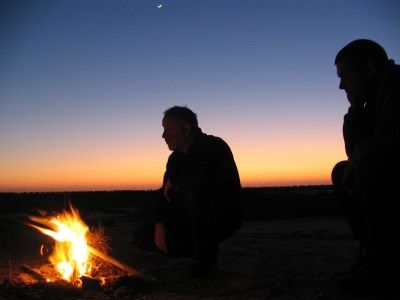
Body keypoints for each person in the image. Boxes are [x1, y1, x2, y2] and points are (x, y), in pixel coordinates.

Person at [132, 106, 243, 277]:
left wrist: (175, 179)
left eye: (167, 129)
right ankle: (198, 250)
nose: (163, 136)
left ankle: (206, 262)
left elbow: (206, 179)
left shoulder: (215, 147)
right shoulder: (175, 159)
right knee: (142, 235)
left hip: (222, 217)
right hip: (190, 220)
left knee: (196, 193)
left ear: (186, 128)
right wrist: (160, 224)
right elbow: (163, 195)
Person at [331, 39, 400, 292]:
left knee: (365, 166)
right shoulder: (373, 100)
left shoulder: (395, 84)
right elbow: (355, 152)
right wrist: (355, 110)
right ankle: (374, 252)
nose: (341, 85)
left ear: (368, 69)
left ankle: (386, 262)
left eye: (345, 76)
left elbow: (386, 144)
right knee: (344, 171)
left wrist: (357, 162)